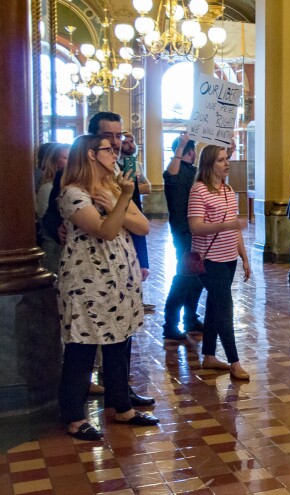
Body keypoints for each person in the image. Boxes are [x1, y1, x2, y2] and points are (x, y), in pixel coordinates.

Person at [56, 134, 159, 441]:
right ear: (90, 155)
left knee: (119, 342)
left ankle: (122, 406)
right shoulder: (73, 194)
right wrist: (123, 203)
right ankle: (74, 416)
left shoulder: (111, 188)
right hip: (86, 281)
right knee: (82, 347)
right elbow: (106, 230)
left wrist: (117, 200)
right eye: (108, 149)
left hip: (118, 281)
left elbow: (143, 226)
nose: (115, 154)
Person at [88, 112, 155, 407]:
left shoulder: (121, 173)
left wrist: (143, 260)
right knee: (96, 337)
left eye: (119, 135)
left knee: (123, 331)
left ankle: (121, 390)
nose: (117, 143)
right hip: (93, 268)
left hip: (124, 262)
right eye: (109, 137)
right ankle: (97, 388)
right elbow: (54, 213)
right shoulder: (80, 177)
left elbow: (138, 221)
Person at [188, 145, 251, 380]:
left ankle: (209, 356)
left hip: (228, 258)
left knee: (215, 305)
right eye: (221, 160)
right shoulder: (199, 190)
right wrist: (226, 226)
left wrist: (243, 256)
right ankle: (235, 361)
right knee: (225, 308)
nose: (226, 164)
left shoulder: (227, 189)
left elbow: (235, 229)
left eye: (227, 159)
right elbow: (195, 226)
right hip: (209, 259)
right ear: (209, 164)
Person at [162, 132, 206, 341]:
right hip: (183, 231)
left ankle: (190, 319)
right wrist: (180, 148)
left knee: (196, 278)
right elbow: (169, 175)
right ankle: (170, 324)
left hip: (198, 231)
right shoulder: (175, 170)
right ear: (190, 151)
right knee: (184, 278)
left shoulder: (195, 172)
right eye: (193, 150)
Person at [35, 143, 69, 273]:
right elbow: (46, 218)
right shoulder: (48, 187)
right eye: (65, 158)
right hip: (54, 246)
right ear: (54, 161)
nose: (70, 161)